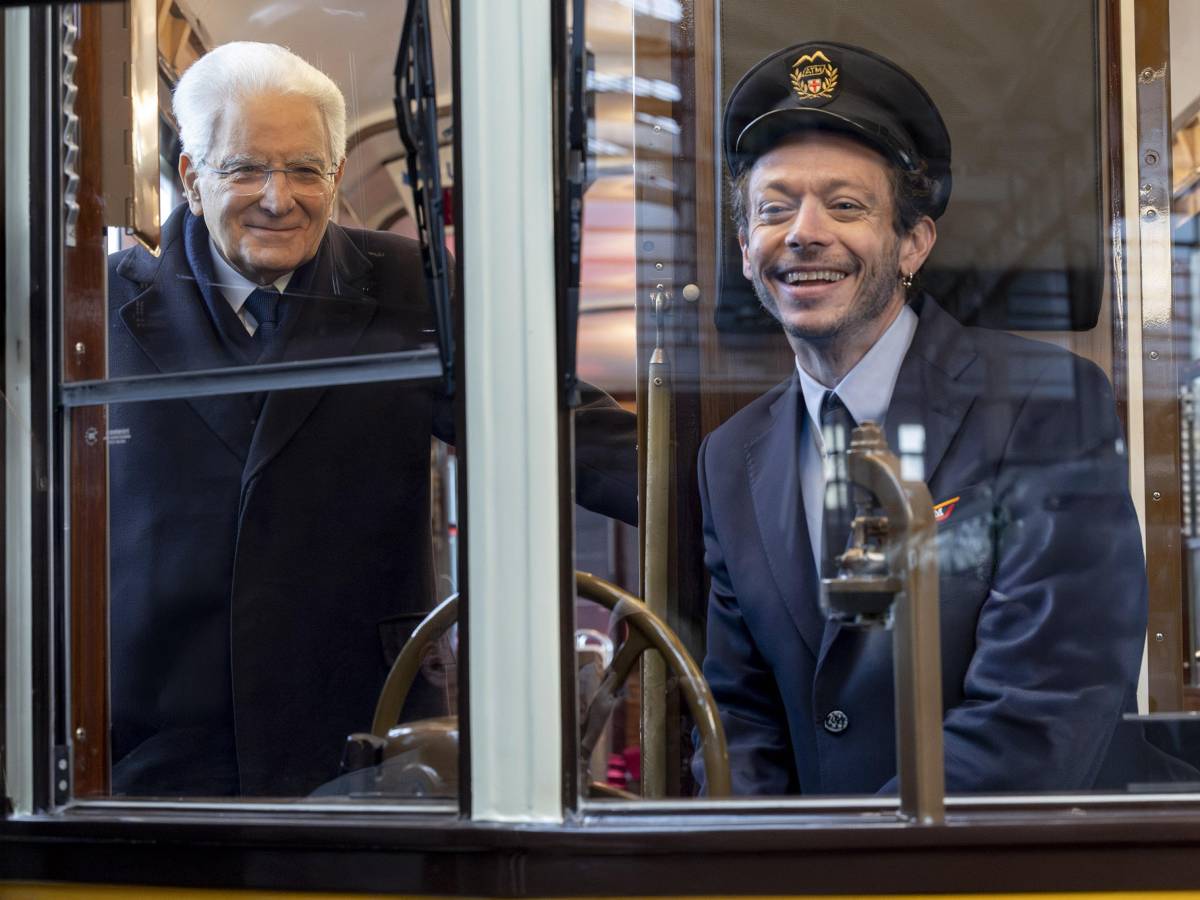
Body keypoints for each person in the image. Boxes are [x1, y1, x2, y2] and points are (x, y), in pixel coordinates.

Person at [106, 42, 635, 797]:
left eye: (305, 169)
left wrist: (732, 493)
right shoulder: (94, 313)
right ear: (192, 177)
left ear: (335, 172)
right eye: (246, 168)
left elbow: (551, 423)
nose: (277, 198)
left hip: (364, 726)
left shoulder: (407, 285)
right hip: (158, 738)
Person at [693, 41, 1149, 795]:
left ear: (913, 243)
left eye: (845, 205)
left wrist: (860, 869)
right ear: (746, 251)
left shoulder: (1047, 404)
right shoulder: (729, 456)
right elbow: (741, 724)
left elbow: (1040, 715)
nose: (804, 232)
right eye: (774, 210)